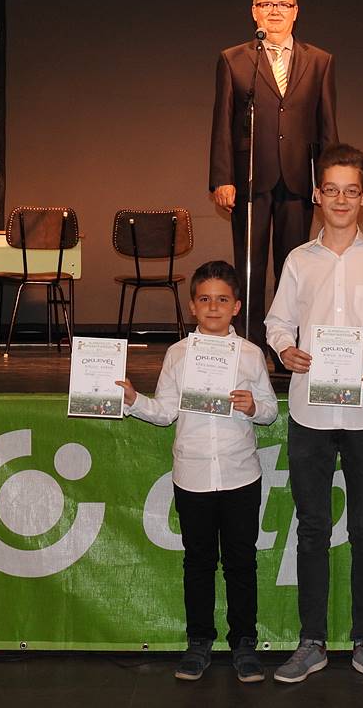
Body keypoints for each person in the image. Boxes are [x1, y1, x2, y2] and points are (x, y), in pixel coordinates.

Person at [265, 143, 363, 686]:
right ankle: (312, 642)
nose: (342, 200)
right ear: (317, 195)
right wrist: (285, 350)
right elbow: (277, 321)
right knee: (311, 530)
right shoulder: (299, 260)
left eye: (352, 191)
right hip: (310, 413)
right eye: (332, 190)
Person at [116, 260, 278, 683]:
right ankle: (199, 642)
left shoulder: (250, 354)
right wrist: (133, 400)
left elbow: (271, 411)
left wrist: (254, 407)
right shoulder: (177, 354)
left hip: (240, 474)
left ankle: (244, 643)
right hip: (192, 476)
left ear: (236, 306)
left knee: (241, 562)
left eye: (222, 299)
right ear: (192, 306)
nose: (213, 307)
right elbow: (165, 412)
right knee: (198, 563)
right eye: (204, 299)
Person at [209, 0, 338, 362]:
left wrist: (328, 182)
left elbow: (327, 126)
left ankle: (286, 351)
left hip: (299, 180)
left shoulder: (320, 61)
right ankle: (250, 350)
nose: (275, 11)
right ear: (254, 11)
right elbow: (222, 122)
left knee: (293, 269)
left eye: (282, 4)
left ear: (296, 11)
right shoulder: (234, 59)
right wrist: (222, 178)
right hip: (250, 178)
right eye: (266, 4)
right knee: (250, 269)